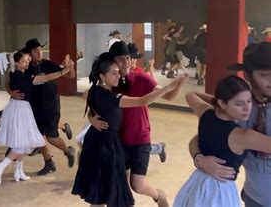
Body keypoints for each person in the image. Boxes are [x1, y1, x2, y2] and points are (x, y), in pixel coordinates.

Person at [72, 52, 181, 207]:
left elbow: (89, 101)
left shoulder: (95, 91)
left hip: (99, 143)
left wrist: (92, 117)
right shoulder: (111, 98)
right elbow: (143, 101)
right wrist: (168, 87)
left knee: (101, 190)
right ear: (103, 77)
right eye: (114, 73)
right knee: (108, 190)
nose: (118, 76)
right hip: (106, 146)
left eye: (118, 73)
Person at [189, 42, 271, 207]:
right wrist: (200, 159)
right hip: (255, 198)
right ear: (248, 76)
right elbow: (200, 138)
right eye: (265, 74)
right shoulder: (239, 108)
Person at [175, 76, 271, 206]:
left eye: (249, 101)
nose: (247, 108)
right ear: (222, 103)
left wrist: (218, 104)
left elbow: (191, 95)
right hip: (218, 193)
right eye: (239, 103)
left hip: (196, 184)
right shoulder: (242, 136)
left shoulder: (205, 112)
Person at [0, 51, 73, 184]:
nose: (27, 63)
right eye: (24, 61)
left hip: (21, 108)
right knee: (23, 144)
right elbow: (45, 78)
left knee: (23, 143)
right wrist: (64, 71)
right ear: (17, 63)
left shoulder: (18, 73)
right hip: (19, 109)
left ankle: (19, 171)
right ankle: (0, 167)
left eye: (27, 61)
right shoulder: (20, 76)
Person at [7, 38, 77, 175]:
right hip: (33, 106)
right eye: (35, 51)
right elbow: (9, 83)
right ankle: (49, 162)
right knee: (37, 137)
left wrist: (70, 67)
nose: (39, 53)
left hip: (51, 105)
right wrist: (11, 92)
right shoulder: (24, 67)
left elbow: (71, 75)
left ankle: (67, 151)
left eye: (40, 50)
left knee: (51, 137)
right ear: (29, 53)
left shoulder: (48, 64)